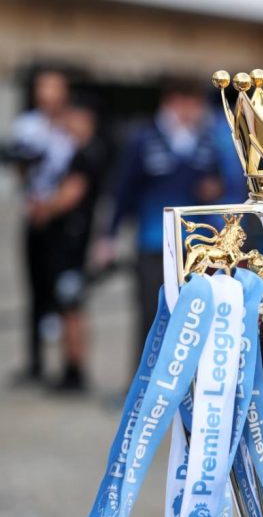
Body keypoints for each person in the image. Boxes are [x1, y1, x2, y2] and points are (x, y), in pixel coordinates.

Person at [95, 77, 222, 358]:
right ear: (174, 102)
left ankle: (187, 387)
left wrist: (212, 188)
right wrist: (109, 235)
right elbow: (123, 189)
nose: (195, 112)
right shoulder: (143, 138)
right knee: (151, 314)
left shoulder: (205, 139)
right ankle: (143, 386)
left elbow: (215, 183)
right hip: (153, 242)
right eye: (190, 104)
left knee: (193, 314)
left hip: (195, 246)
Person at [29, 95, 107, 391]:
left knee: (70, 303)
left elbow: (71, 193)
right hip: (73, 237)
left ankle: (75, 369)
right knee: (68, 305)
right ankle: (71, 367)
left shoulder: (85, 155)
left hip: (72, 240)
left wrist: (43, 210)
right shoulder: (85, 152)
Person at [9, 67, 74, 383]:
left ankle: (68, 365)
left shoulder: (72, 126)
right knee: (34, 289)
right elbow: (17, 165)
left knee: (63, 291)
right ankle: (35, 363)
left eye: (55, 87)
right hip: (34, 214)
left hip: (64, 219)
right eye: (43, 88)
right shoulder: (27, 125)